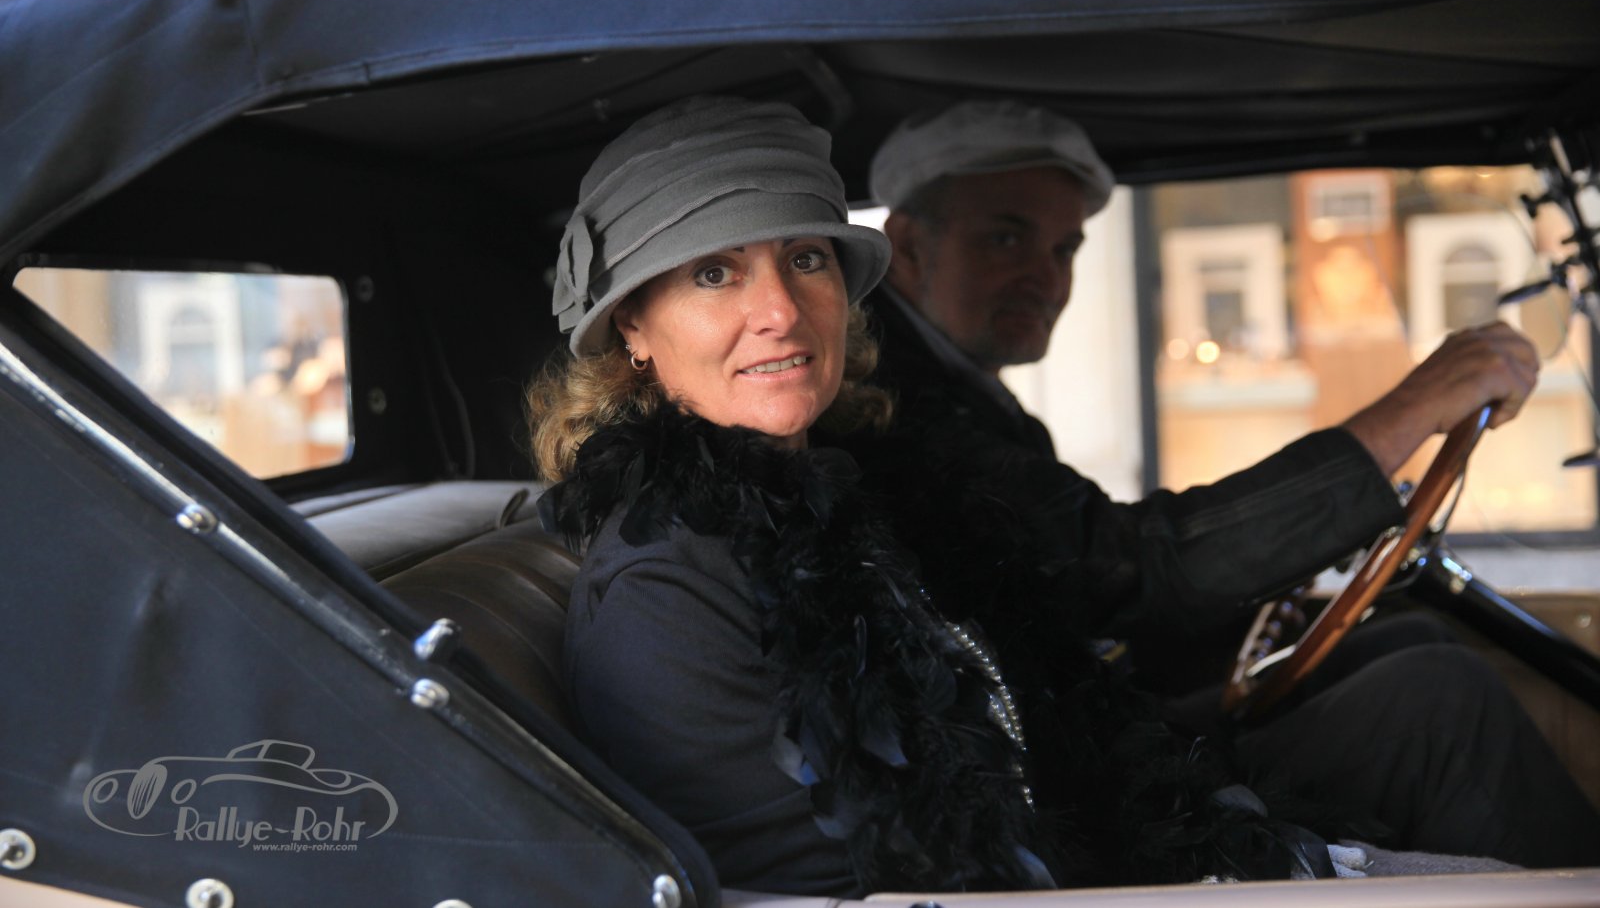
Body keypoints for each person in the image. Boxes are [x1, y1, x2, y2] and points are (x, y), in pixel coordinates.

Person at [533, 96, 1597, 898]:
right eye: (714, 273)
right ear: (632, 326)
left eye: (804, 258)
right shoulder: (665, 583)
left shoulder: (851, 487)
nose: (777, 307)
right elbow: (844, 879)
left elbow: (1015, 695)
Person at [863, 99, 1600, 862]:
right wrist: (1408, 412)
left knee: (1410, 636)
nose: (1047, 278)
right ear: (909, 245)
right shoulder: (895, 402)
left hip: (1077, 741)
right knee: (1441, 701)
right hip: (1056, 807)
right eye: (1006, 237)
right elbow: (1127, 568)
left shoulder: (957, 390)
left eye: (1066, 248)